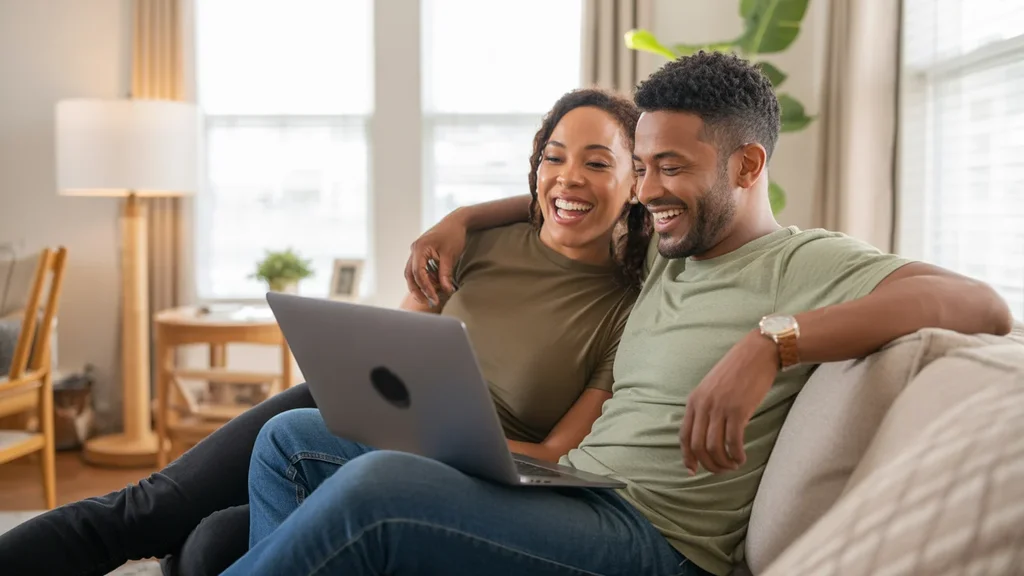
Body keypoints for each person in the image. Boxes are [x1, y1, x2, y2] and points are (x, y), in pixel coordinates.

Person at [220, 51, 1014, 576]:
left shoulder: (800, 262)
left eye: (671, 167)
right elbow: (564, 195)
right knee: (292, 439)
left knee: (381, 488)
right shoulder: (668, 246)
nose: (648, 189)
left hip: (655, 540)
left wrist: (772, 342)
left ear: (747, 166)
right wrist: (461, 218)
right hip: (574, 491)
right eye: (642, 168)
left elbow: (979, 304)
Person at [0, 88, 651, 576]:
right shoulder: (478, 240)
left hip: (454, 472)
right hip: (347, 418)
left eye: (598, 163)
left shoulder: (628, 308)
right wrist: (462, 216)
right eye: (553, 157)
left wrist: (452, 450)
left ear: (635, 182)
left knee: (210, 547)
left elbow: (558, 453)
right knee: (146, 510)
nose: (569, 176)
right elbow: (391, 349)